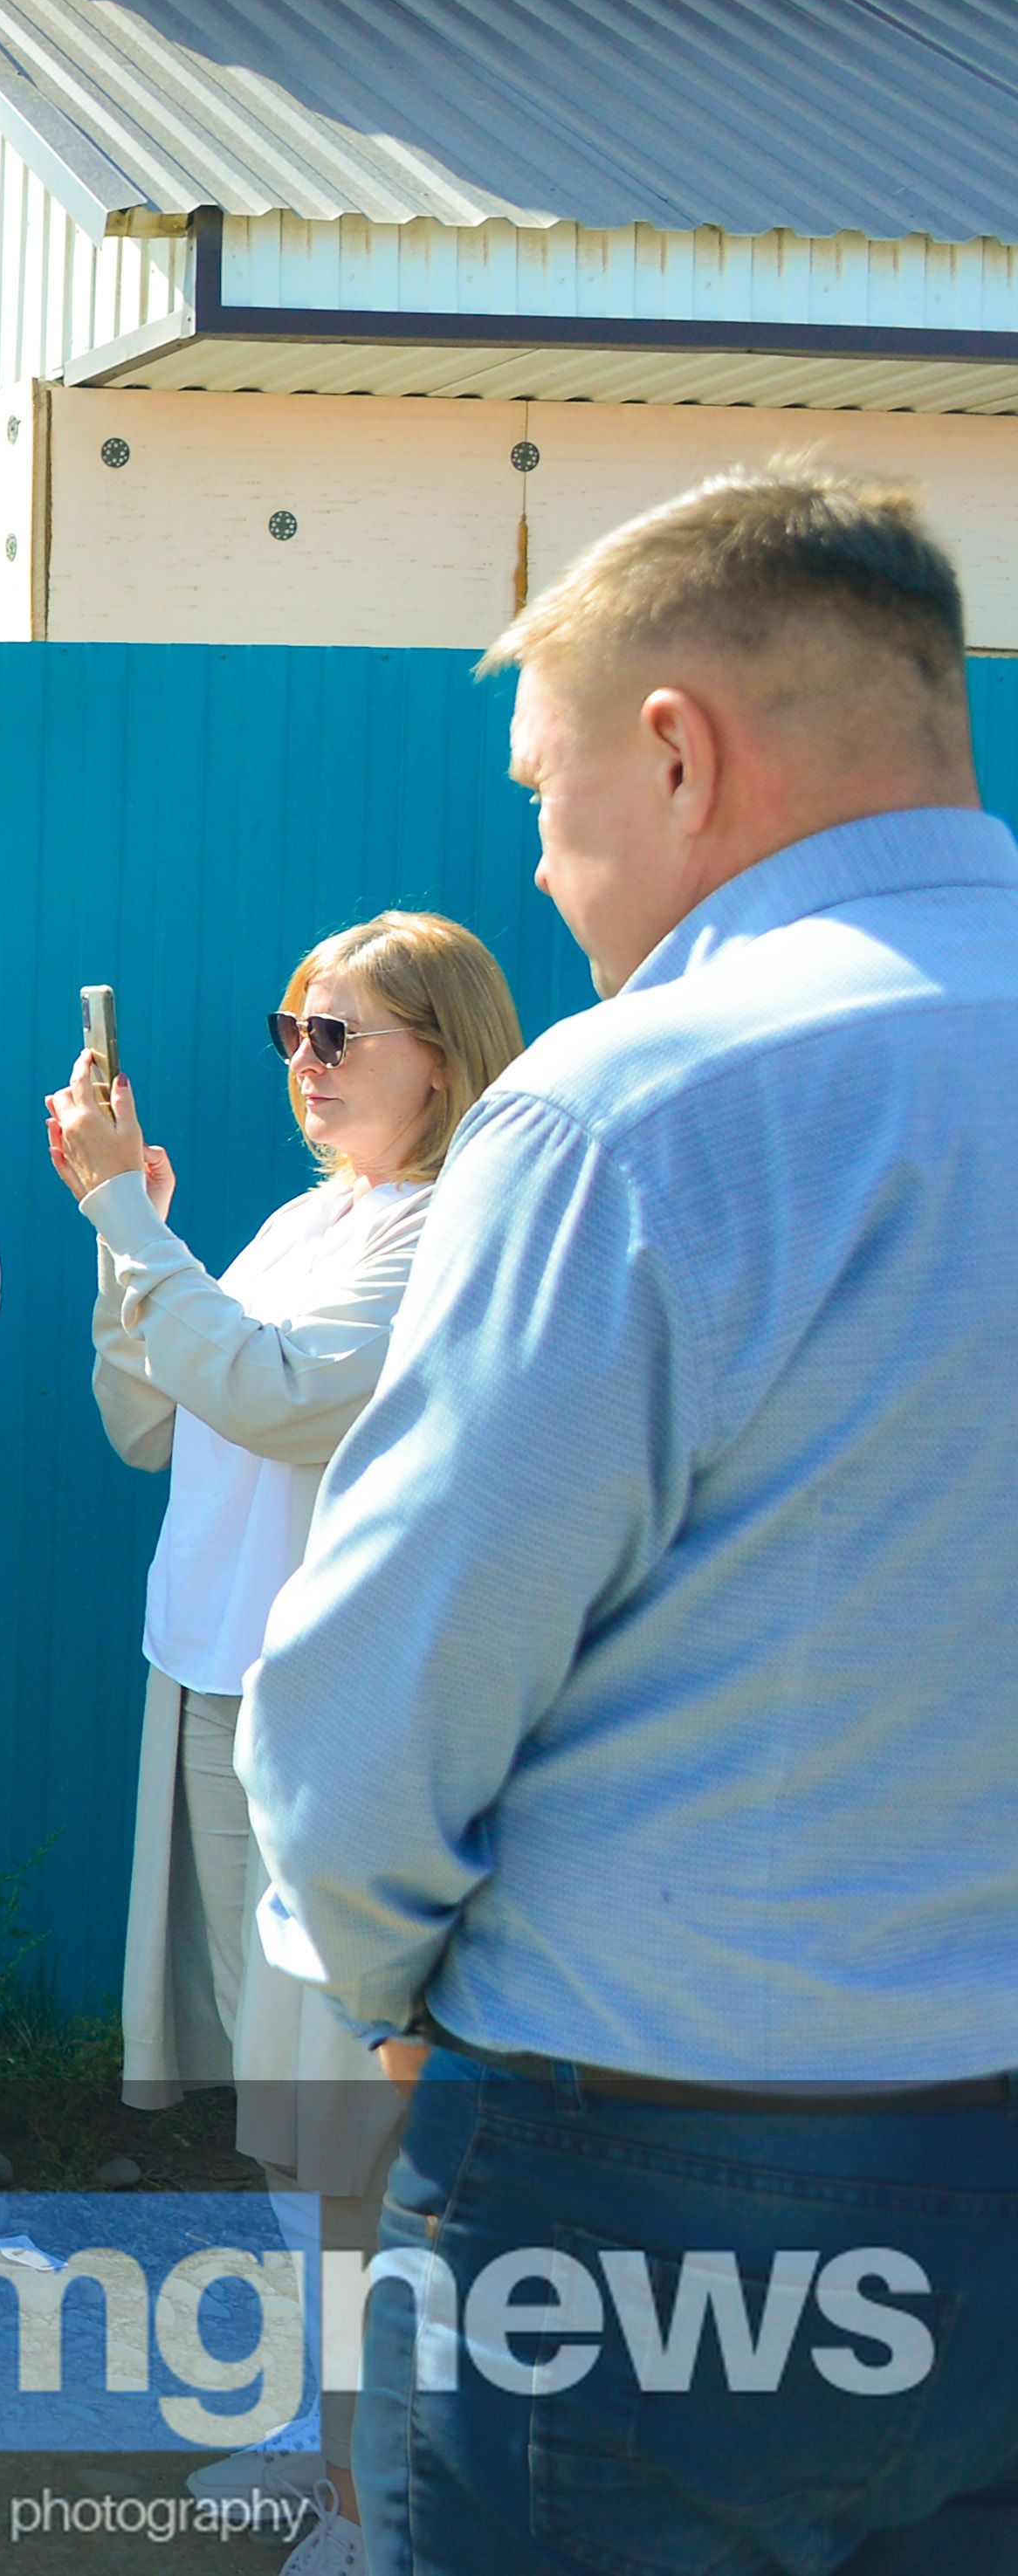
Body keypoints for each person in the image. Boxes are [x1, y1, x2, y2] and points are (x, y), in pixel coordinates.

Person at [248, 466, 1018, 2572]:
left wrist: (377, 1966)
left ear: (676, 750)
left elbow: (395, 1678)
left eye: (542, 790)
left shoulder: (633, 1102)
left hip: (660, 2176)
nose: (546, 855)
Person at [45, 910, 520, 2569]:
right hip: (205, 1675)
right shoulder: (303, 1218)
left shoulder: (447, 1232)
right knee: (276, 2097)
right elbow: (148, 1416)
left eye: (344, 1036)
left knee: (348, 2117)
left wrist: (121, 1211)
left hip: (324, 1714)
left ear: (442, 1059)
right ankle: (307, 2424)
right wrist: (138, 1240)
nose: (305, 1065)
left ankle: (365, 2478)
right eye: (292, 1032)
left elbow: (276, 1394)